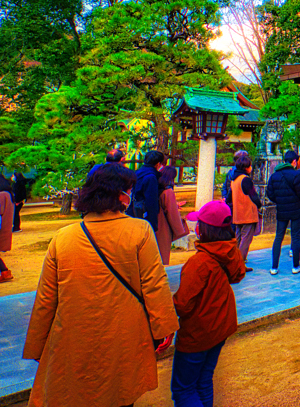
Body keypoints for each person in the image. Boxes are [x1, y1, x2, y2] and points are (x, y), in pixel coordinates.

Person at [23, 164, 179, 407]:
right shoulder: (139, 230)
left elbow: (46, 298)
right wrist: (164, 327)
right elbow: (154, 284)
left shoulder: (63, 237)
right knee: (120, 392)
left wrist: (38, 343)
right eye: (129, 190)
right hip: (124, 333)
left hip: (73, 335)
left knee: (75, 393)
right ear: (120, 195)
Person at [171, 200, 246, 407]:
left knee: (184, 389)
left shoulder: (199, 262)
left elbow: (183, 303)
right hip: (220, 326)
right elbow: (237, 275)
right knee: (203, 381)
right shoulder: (231, 251)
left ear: (204, 229)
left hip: (199, 332)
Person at [265, 150, 300, 275]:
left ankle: (274, 267)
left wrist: (280, 201)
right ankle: (296, 265)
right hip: (296, 209)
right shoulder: (296, 175)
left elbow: (269, 193)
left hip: (282, 210)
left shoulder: (274, 175)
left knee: (278, 237)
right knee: (296, 236)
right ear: (294, 161)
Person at [226, 151, 261, 268]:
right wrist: (259, 205)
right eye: (250, 165)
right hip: (247, 213)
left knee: (238, 238)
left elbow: (229, 197)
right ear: (246, 167)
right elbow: (253, 195)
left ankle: (234, 261)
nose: (251, 168)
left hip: (237, 213)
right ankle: (239, 264)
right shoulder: (245, 179)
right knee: (246, 240)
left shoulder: (233, 179)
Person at [156, 166, 189, 266]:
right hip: (163, 225)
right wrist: (179, 229)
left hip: (154, 221)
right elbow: (171, 212)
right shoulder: (168, 191)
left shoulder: (156, 187)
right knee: (162, 254)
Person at [129, 150, 165, 232]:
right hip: (144, 213)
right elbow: (151, 200)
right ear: (158, 164)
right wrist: (153, 223)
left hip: (134, 208)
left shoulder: (138, 172)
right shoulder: (151, 177)